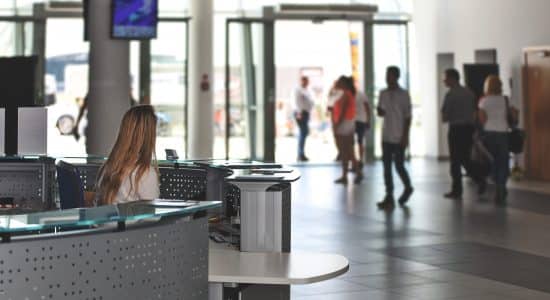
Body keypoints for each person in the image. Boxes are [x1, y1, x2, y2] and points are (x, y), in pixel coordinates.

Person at [95, 105, 160, 205]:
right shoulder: (145, 173)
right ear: (149, 136)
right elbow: (152, 217)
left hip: (106, 221)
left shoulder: (108, 167)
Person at [441, 69, 486, 199]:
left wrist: (449, 115)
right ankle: (479, 178)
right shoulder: (469, 92)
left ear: (452, 79)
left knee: (455, 160)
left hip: (456, 129)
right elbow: (474, 111)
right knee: (465, 158)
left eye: (446, 78)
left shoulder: (450, 94)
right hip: (468, 129)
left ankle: (457, 190)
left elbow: (445, 116)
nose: (444, 80)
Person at [377, 66, 414, 208]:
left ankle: (408, 186)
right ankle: (389, 195)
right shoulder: (383, 93)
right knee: (386, 167)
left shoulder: (404, 95)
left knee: (399, 165)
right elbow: (381, 113)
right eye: (386, 75)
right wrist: (379, 110)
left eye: (390, 75)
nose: (387, 78)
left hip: (399, 136)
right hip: (386, 135)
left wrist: (405, 136)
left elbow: (408, 117)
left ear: (396, 77)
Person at [478, 75, 518, 203]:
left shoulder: (483, 101)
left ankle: (495, 181)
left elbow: (482, 119)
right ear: (500, 85)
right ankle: (501, 188)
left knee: (492, 161)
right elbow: (514, 115)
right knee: (503, 162)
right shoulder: (505, 100)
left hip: (489, 134)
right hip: (503, 133)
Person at [333, 76, 362, 184]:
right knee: (348, 151)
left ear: (344, 83)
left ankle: (352, 174)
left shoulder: (346, 95)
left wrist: (337, 125)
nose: (337, 83)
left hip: (344, 124)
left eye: (339, 82)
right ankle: (349, 174)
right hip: (347, 123)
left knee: (346, 151)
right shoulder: (347, 94)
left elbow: (342, 112)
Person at [293, 76, 314, 162]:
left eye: (307, 81)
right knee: (303, 132)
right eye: (304, 81)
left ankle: (301, 154)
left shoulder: (307, 90)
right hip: (300, 113)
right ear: (301, 81)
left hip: (305, 113)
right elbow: (296, 102)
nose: (306, 83)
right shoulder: (298, 90)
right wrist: (299, 113)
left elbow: (310, 101)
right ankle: (300, 154)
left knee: (304, 133)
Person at [355, 87, 371, 170]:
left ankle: (360, 160)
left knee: (360, 141)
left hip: (360, 120)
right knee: (355, 142)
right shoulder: (350, 94)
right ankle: (356, 161)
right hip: (353, 120)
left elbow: (367, 108)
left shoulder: (361, 94)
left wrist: (368, 120)